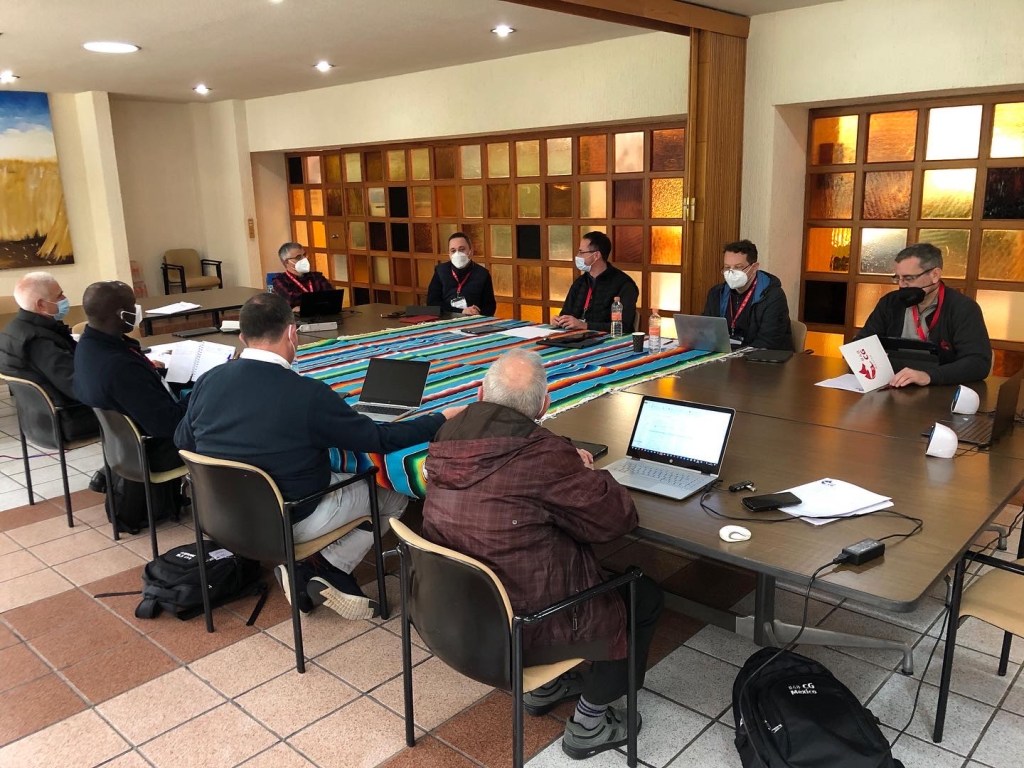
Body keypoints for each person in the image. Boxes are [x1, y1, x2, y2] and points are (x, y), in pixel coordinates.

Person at [421, 349, 662, 760]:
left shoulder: (447, 436)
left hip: (456, 614)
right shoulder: (544, 457)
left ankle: (546, 688)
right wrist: (584, 472)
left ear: (480, 393)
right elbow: (616, 520)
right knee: (644, 595)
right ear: (544, 405)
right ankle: (589, 723)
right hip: (524, 627)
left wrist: (565, 462)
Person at [175, 292, 464, 619]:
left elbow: (183, 441)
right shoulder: (306, 394)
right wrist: (440, 418)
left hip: (219, 514)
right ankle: (327, 566)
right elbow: (379, 440)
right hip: (289, 518)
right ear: (292, 333)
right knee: (391, 490)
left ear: (242, 337)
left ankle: (311, 568)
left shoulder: (209, 380)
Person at [73, 281, 185, 472]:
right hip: (157, 450)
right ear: (121, 314)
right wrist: (202, 392)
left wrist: (153, 373)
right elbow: (168, 424)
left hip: (124, 446)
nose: (137, 310)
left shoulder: (88, 346)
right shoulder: (121, 367)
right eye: (133, 305)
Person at [856, 243, 991, 387]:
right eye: (897, 278)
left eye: (909, 278)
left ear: (935, 275)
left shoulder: (963, 308)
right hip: (893, 384)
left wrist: (928, 376)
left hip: (941, 389)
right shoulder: (890, 302)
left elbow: (978, 363)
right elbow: (861, 344)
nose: (902, 285)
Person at [0, 272, 99, 441]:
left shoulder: (13, 330)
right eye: (59, 295)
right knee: (136, 402)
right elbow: (78, 387)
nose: (65, 299)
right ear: (41, 305)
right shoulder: (39, 342)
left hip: (35, 420)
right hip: (67, 420)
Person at [702, 239, 793, 350]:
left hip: (763, 357)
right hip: (725, 354)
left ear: (754, 267)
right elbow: (706, 330)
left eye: (738, 267)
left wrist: (736, 354)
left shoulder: (773, 296)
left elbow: (768, 342)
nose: (731, 272)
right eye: (727, 267)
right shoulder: (716, 293)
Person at [553, 231, 638, 333]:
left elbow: (624, 326)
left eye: (581, 252)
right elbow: (566, 313)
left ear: (596, 255)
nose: (578, 256)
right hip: (576, 337)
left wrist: (585, 325)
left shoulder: (624, 284)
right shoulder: (580, 282)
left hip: (609, 339)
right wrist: (560, 320)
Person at [426, 232, 496, 316]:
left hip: (473, 319)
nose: (457, 254)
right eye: (453, 251)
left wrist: (478, 313)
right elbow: (432, 304)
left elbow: (490, 306)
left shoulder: (483, 274)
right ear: (449, 254)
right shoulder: (440, 271)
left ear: (470, 251)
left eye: (462, 249)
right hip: (445, 319)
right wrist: (461, 311)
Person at [271, 242, 333, 309]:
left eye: (304, 255)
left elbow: (332, 296)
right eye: (298, 257)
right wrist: (320, 301)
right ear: (286, 262)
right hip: (296, 316)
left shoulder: (317, 276)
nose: (304, 259)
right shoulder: (280, 280)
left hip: (323, 313)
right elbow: (291, 299)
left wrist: (305, 305)